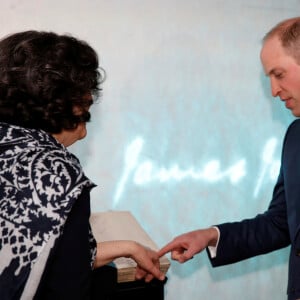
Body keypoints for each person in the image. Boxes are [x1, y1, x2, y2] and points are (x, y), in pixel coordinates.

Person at [0, 30, 165, 300]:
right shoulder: (54, 171)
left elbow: (44, 255)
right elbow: (67, 286)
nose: (85, 129)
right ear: (57, 102)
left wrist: (126, 247)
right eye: (85, 107)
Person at [158, 16, 300, 300]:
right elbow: (280, 223)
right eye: (269, 78)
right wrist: (210, 236)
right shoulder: (295, 136)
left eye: (279, 74)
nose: (273, 90)